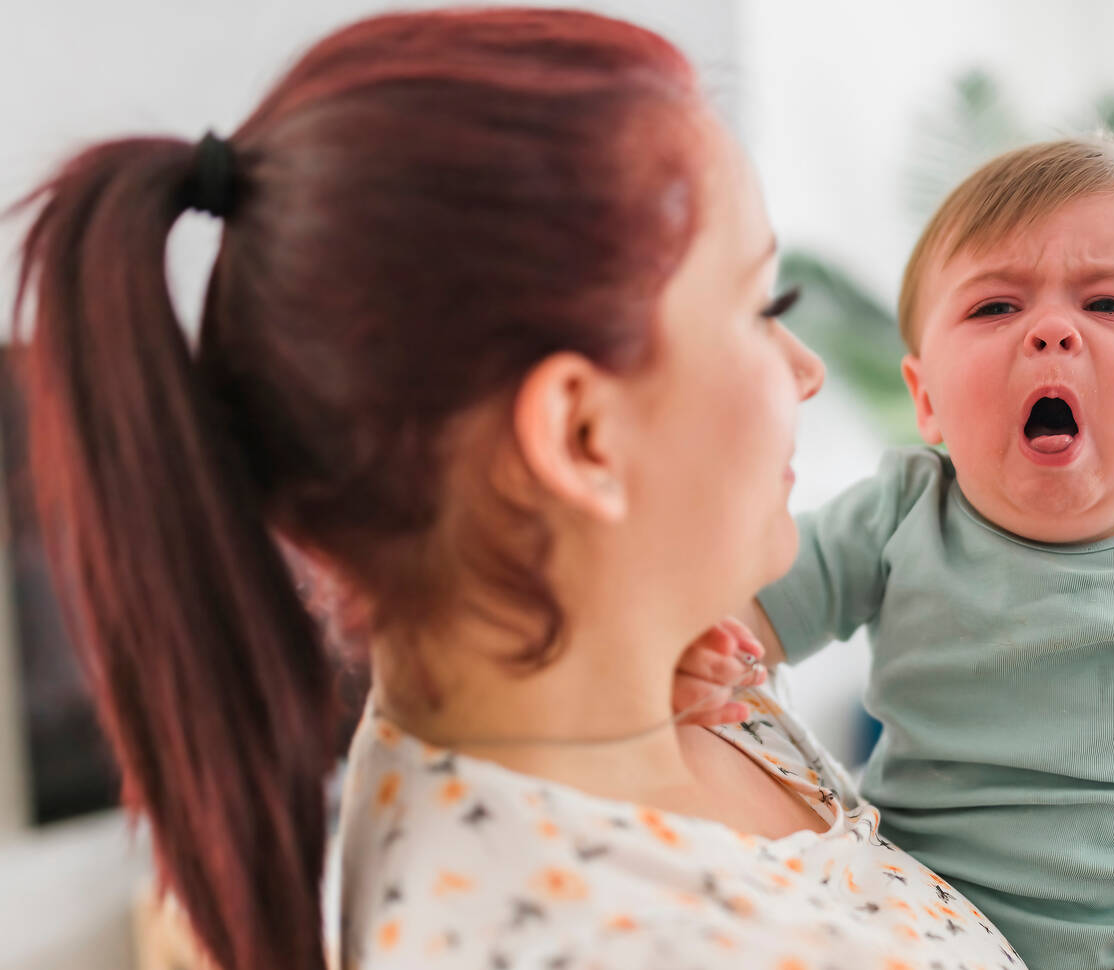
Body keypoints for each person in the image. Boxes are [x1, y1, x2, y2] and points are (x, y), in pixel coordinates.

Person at [10, 9, 1029, 970]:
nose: (806, 367)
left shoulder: (652, 691)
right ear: (579, 434)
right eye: (763, 306)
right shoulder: (542, 934)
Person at [682, 139, 1114, 970]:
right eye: (995, 308)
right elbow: (750, 613)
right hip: (922, 923)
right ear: (927, 398)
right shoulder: (902, 513)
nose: (1052, 331)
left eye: (1111, 305)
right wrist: (698, 653)